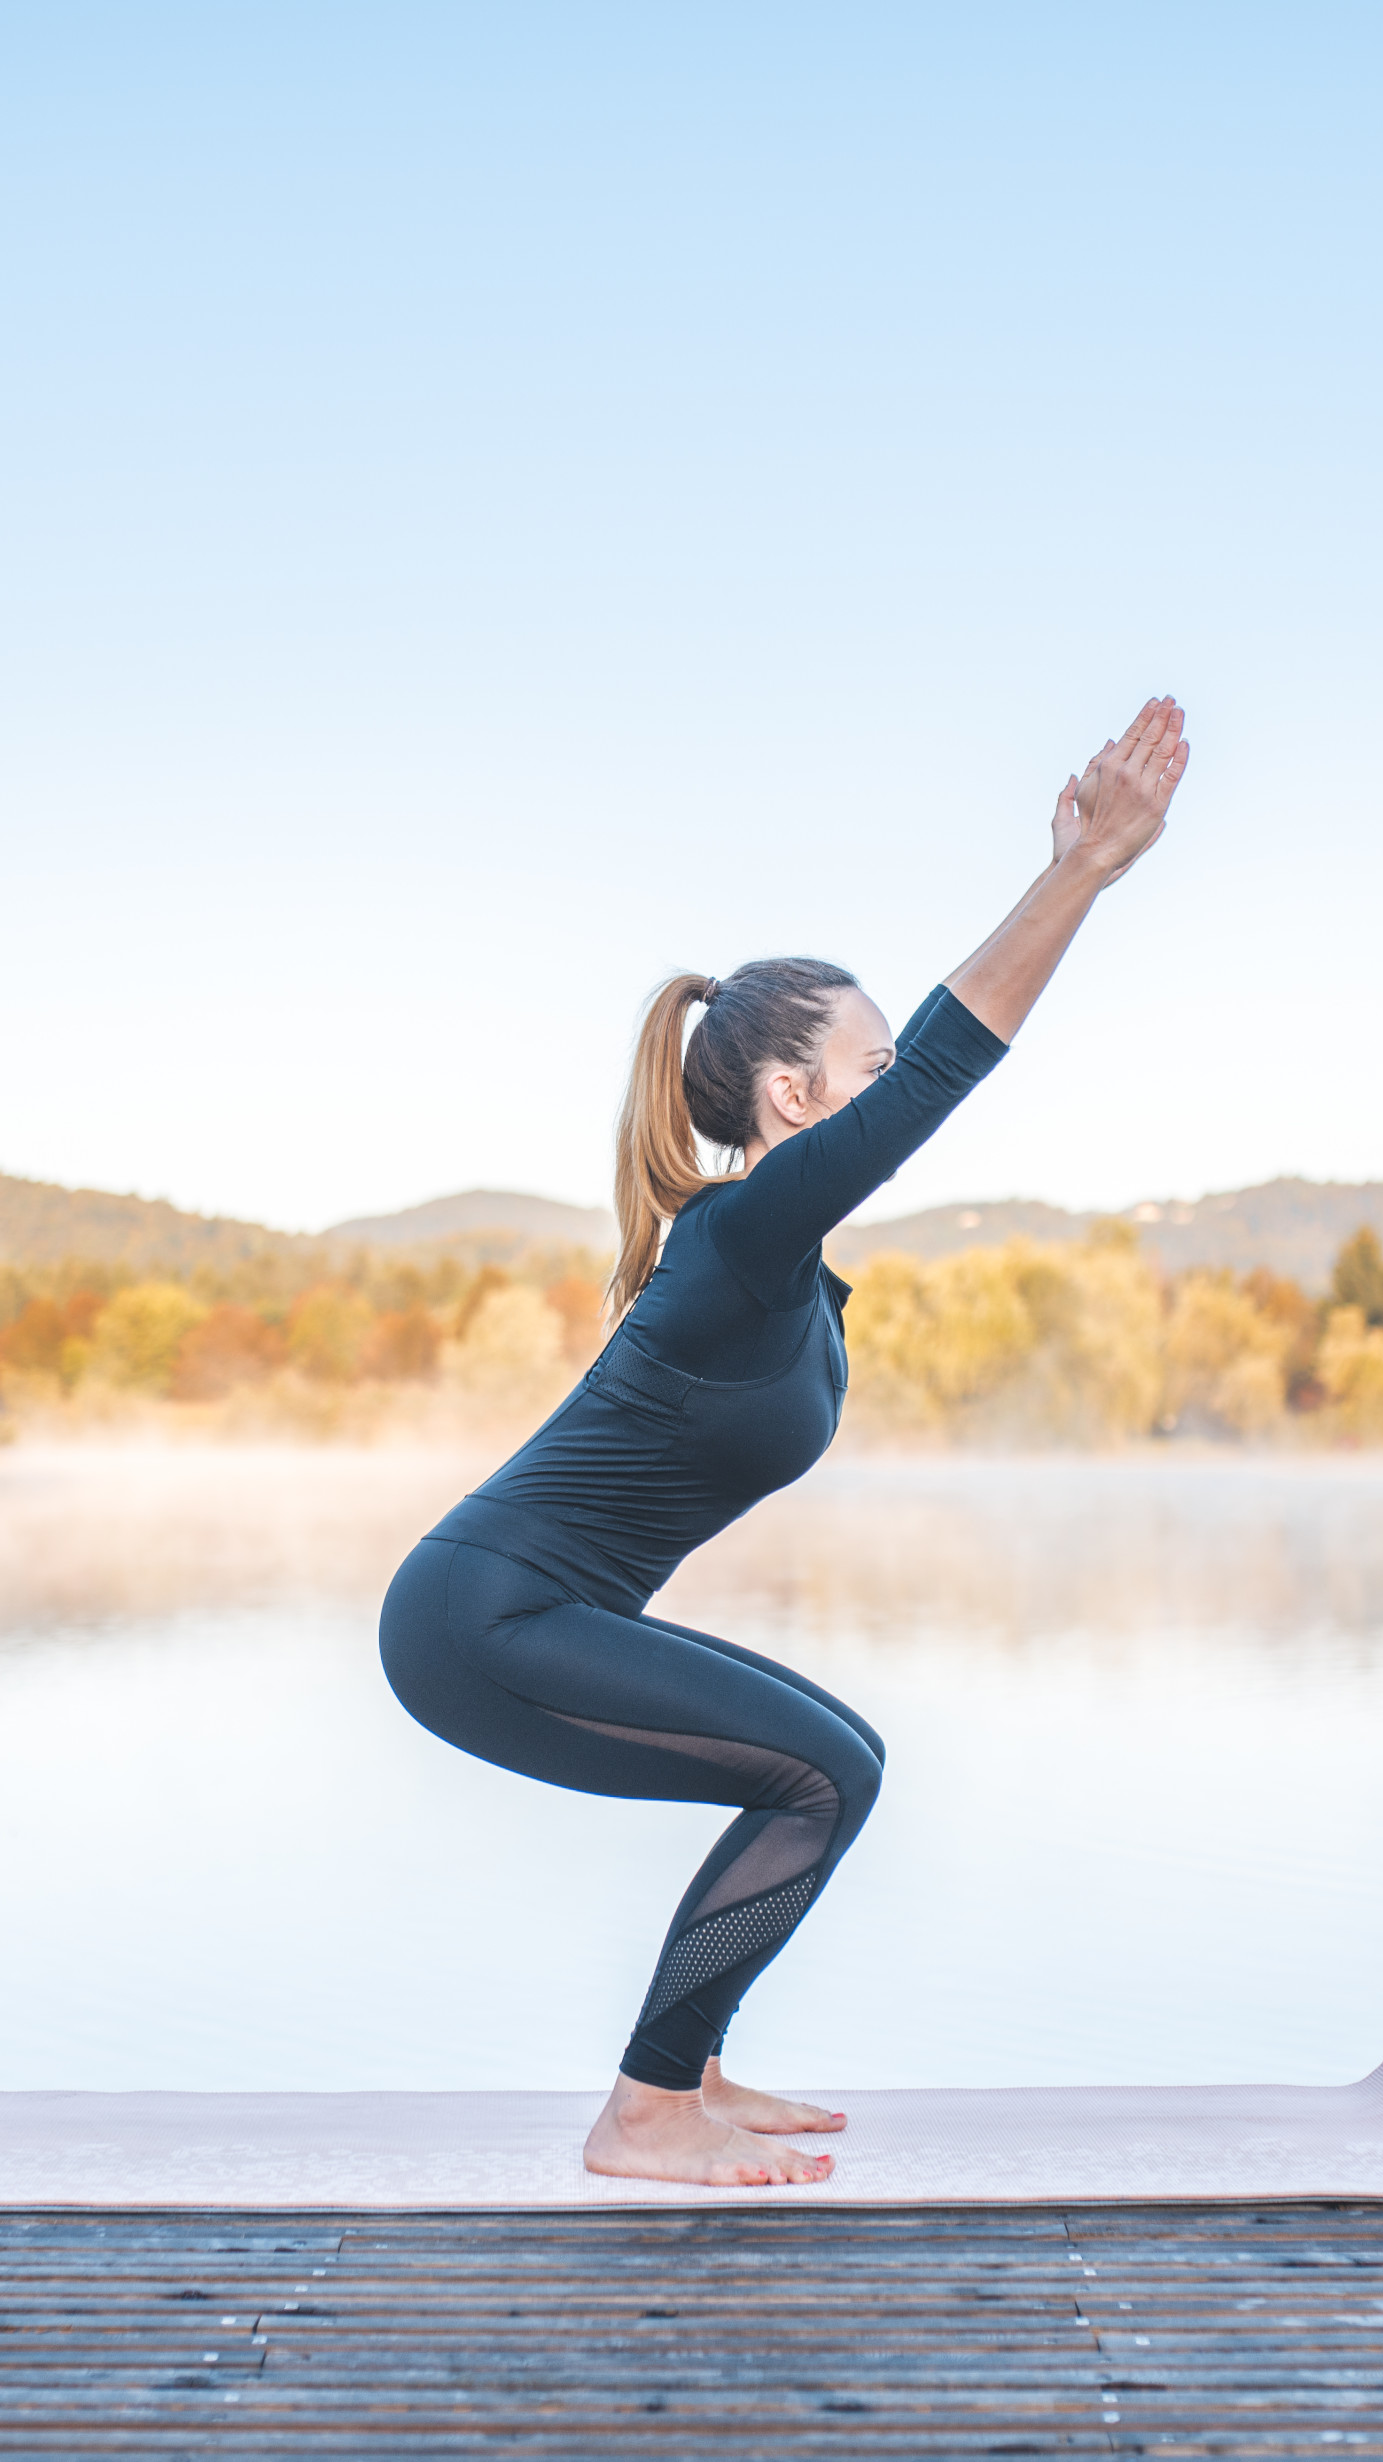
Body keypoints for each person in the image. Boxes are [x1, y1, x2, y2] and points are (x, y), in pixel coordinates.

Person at [376, 698, 1191, 2186]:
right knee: (818, 1771)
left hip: (511, 1613)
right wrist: (1080, 874)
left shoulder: (783, 1268)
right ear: (790, 1100)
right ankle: (644, 2112)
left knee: (843, 1758)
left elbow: (923, 1075)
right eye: (863, 1073)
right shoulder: (746, 1228)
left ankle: (682, 2073)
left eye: (882, 1071)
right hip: (477, 1619)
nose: (889, 1095)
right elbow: (954, 1063)